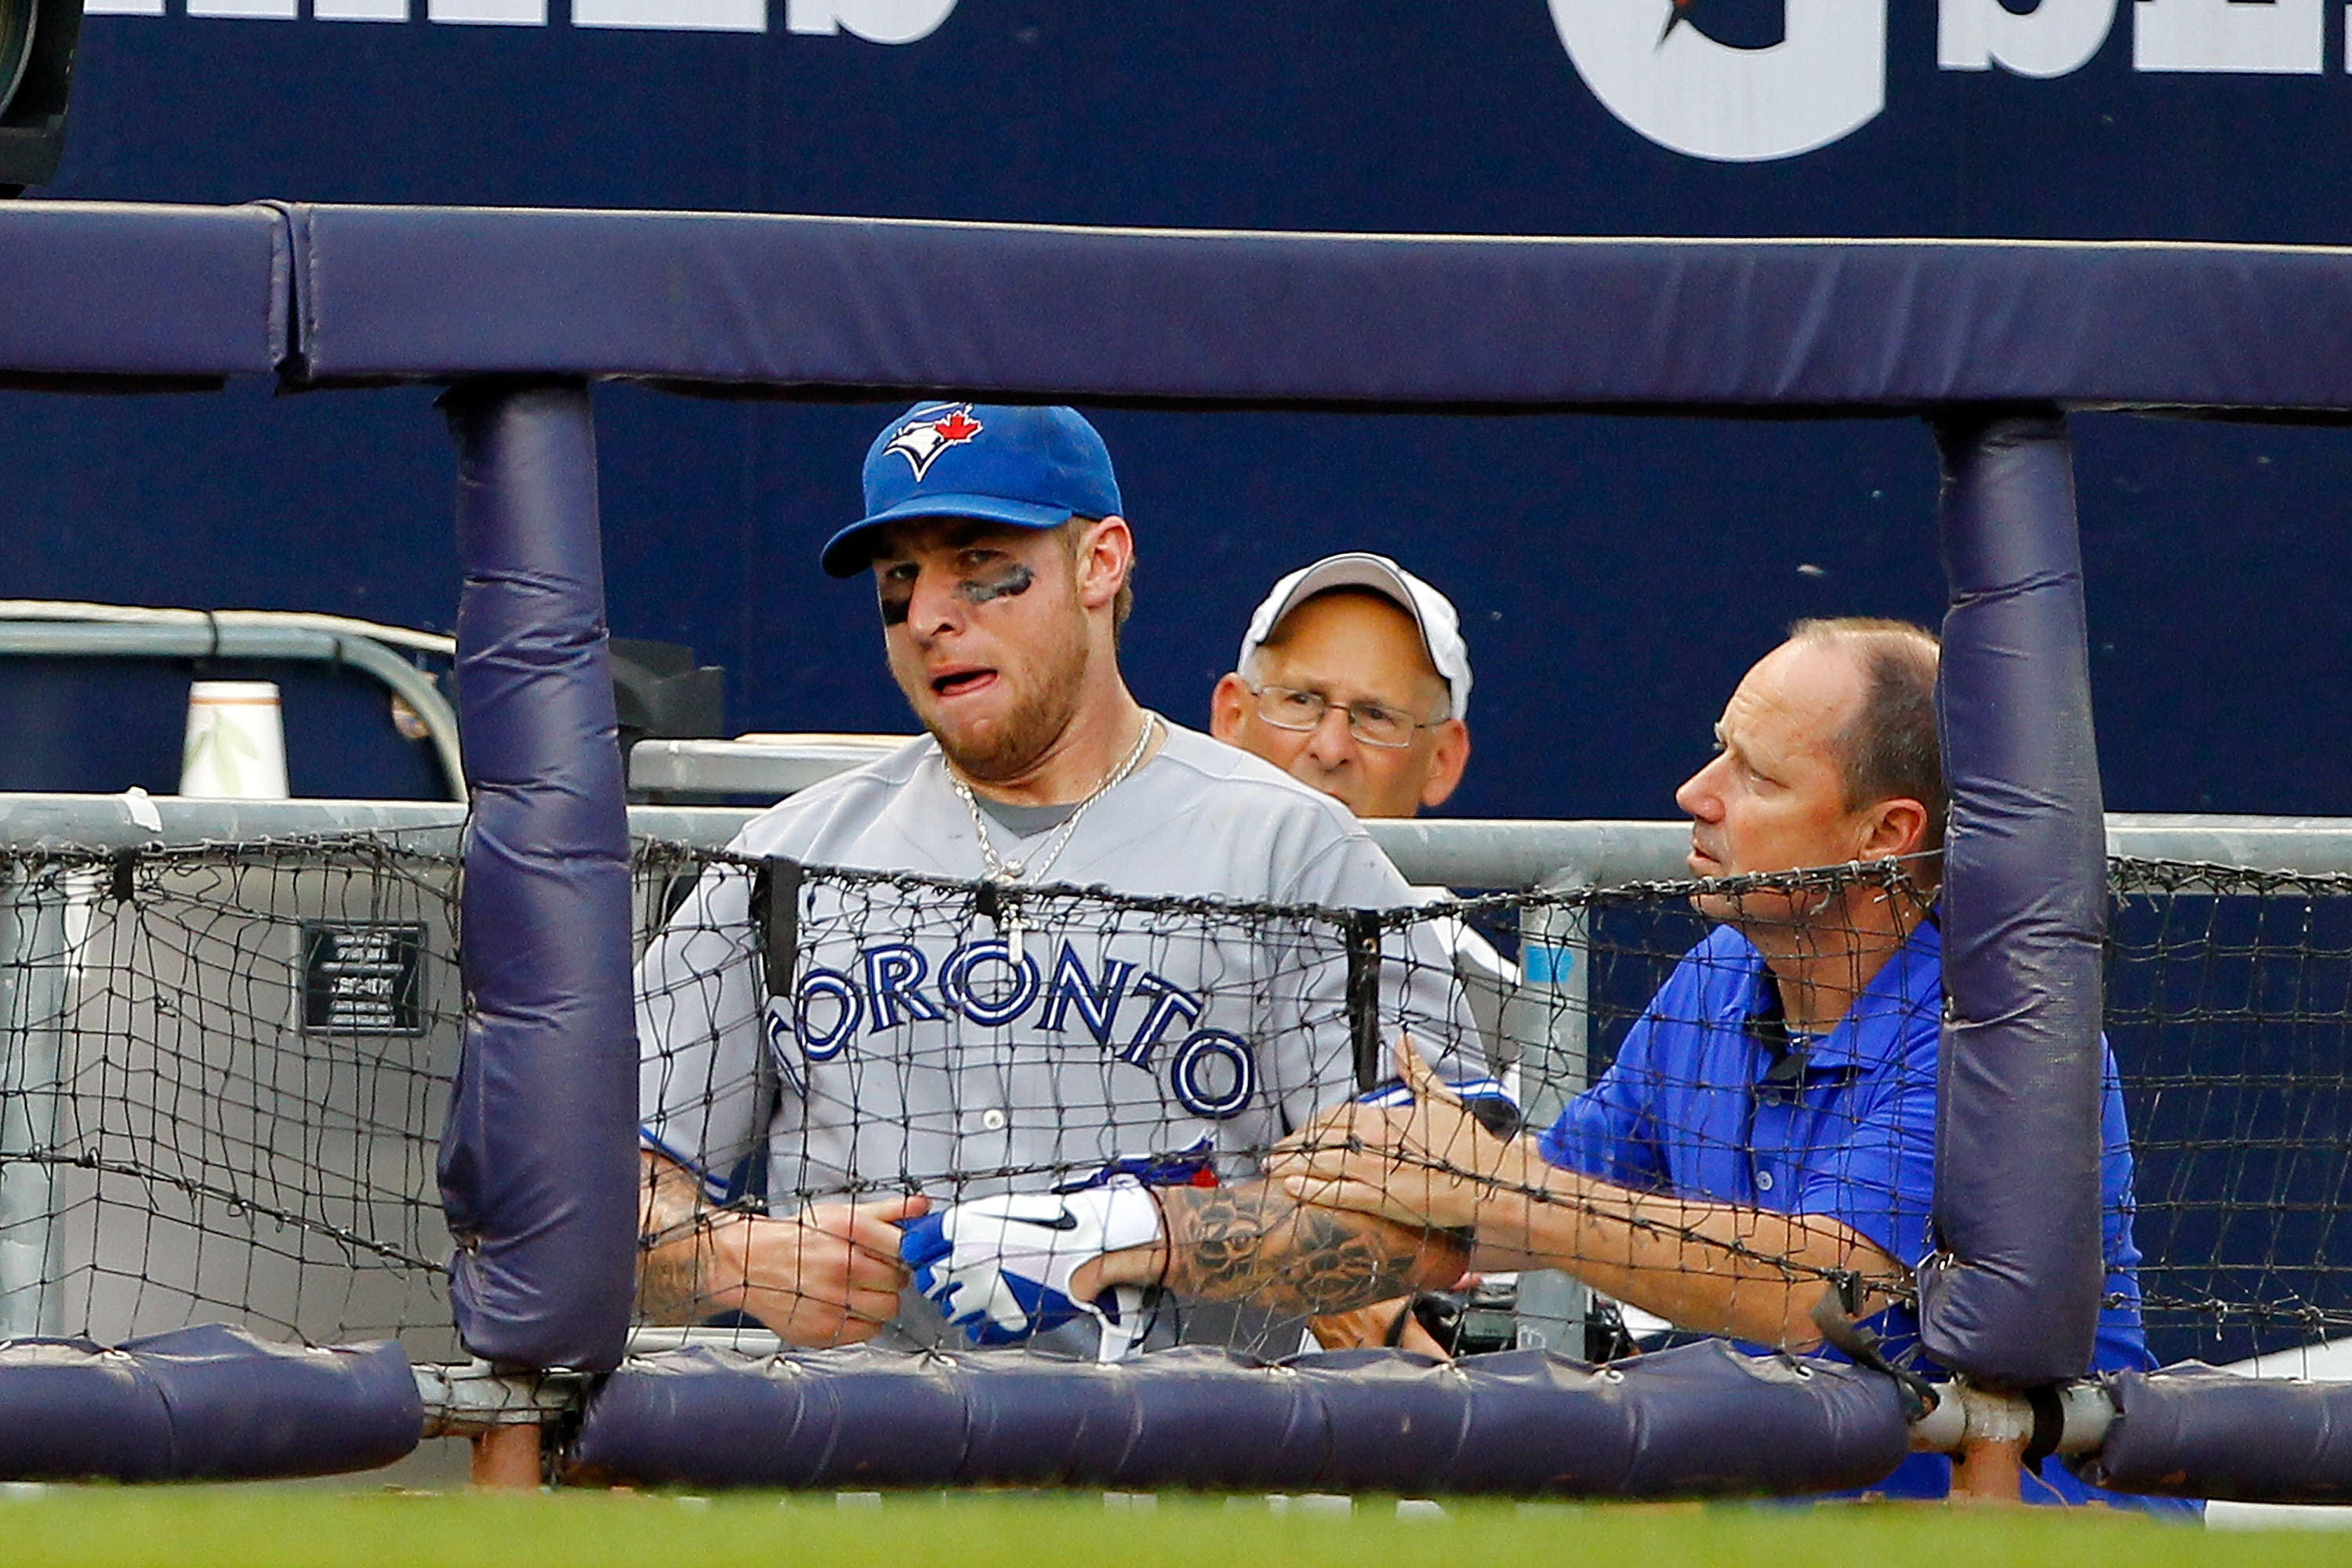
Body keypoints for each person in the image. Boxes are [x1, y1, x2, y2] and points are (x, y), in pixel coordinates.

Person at [1265, 618, 2187, 1508]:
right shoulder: (1718, 973)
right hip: (1793, 1488)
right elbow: (1547, 1198)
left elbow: (1817, 1290)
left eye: (1758, 775)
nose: (1695, 792)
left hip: (2038, 1510)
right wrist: (1372, 1187)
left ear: (1886, 831)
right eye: (1720, 750)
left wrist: (1496, 1191)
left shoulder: (1996, 1031)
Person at [633, 401, 1485, 1358]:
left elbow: (1434, 1223)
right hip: (858, 1471)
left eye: (978, 567)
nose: (927, 616)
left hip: (1198, 1471)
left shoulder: (1295, 853)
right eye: (899, 578)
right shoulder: (785, 862)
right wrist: (728, 1254)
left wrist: (1147, 1240)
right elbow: (595, 1192)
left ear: (1100, 562)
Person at [1209, 553, 1520, 1353]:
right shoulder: (1119, 928)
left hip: (1374, 1436)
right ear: (1230, 715)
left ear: (1444, 757)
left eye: (1376, 715)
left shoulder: (1511, 1006)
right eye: (1302, 700)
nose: (1330, 744)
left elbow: (1501, 1295)